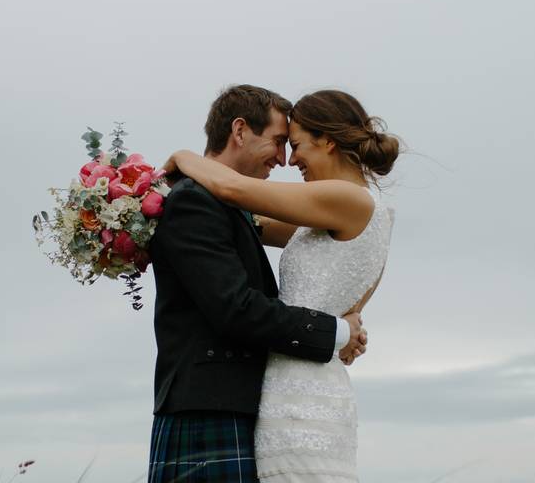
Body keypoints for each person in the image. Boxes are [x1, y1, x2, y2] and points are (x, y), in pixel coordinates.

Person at [164, 89, 398, 482]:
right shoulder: (344, 212)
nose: (290, 160)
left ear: (326, 140)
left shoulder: (344, 198)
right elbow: (246, 223)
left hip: (303, 397)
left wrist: (184, 158)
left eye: (296, 144)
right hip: (295, 384)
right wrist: (346, 326)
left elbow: (234, 191)